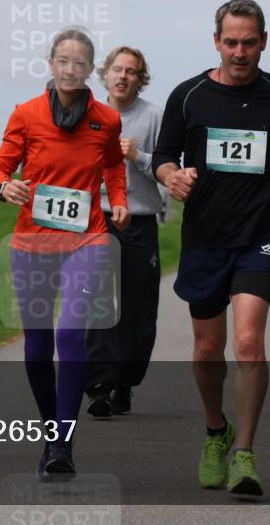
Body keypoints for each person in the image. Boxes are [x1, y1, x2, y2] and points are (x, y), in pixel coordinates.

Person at [152, 0, 270, 497]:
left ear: (264, 41)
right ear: (215, 40)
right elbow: (162, 155)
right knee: (207, 348)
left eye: (249, 42)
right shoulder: (189, 95)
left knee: (247, 342)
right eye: (230, 42)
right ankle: (214, 431)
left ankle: (244, 452)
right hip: (204, 238)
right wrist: (171, 177)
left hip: (259, 234)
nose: (239, 52)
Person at [0, 28, 129, 481]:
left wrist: (119, 198)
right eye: (63, 61)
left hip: (87, 240)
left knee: (70, 335)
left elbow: (112, 163)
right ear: (51, 65)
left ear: (92, 71)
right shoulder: (26, 115)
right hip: (33, 243)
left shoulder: (106, 120)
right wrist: (3, 186)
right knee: (35, 349)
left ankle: (62, 441)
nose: (71, 69)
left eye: (80, 63)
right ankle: (51, 428)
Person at [85, 46, 164, 417]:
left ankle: (125, 382)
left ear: (140, 78)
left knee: (138, 309)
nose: (123, 76)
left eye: (131, 71)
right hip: (96, 218)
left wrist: (138, 156)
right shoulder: (87, 115)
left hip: (139, 220)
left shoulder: (153, 117)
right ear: (105, 74)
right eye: (117, 69)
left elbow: (168, 169)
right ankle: (98, 384)